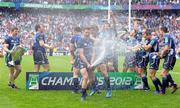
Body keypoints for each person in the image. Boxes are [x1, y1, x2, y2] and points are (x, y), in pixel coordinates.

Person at [159, 26, 178, 94]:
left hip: (170, 57)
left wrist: (161, 54)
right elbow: (168, 47)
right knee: (166, 73)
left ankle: (163, 91)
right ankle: (174, 85)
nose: (159, 32)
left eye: (159, 31)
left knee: (162, 73)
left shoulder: (166, 36)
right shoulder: (168, 36)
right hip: (171, 57)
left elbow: (167, 48)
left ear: (162, 30)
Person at [76, 27, 94, 101]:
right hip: (82, 61)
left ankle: (83, 88)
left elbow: (93, 53)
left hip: (90, 61)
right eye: (86, 32)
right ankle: (83, 96)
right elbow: (81, 54)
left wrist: (91, 62)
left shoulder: (91, 41)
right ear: (83, 32)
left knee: (92, 79)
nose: (87, 34)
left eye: (89, 32)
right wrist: (87, 63)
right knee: (85, 77)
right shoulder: (80, 41)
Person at [69, 27, 82, 93]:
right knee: (87, 73)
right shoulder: (84, 36)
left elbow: (71, 49)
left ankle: (76, 89)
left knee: (75, 73)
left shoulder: (74, 38)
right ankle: (86, 87)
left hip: (78, 56)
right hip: (87, 56)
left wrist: (73, 58)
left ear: (75, 31)